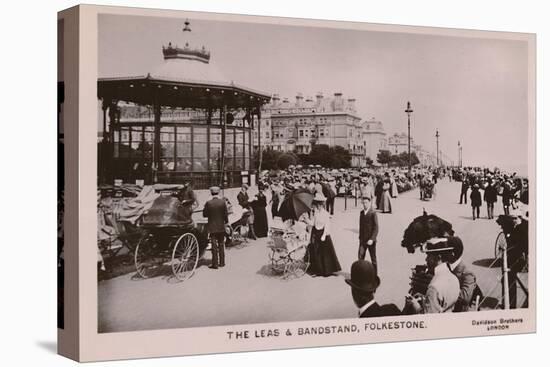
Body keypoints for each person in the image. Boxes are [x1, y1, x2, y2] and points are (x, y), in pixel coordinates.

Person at [405, 239, 460, 313]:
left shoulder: (434, 286)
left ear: (438, 257)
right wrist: (425, 298)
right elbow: (442, 303)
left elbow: (428, 319)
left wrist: (415, 305)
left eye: (429, 256)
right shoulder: (454, 279)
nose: (426, 259)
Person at [305, 193, 342, 277]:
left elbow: (327, 225)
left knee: (325, 254)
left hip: (323, 234)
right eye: (317, 205)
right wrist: (306, 220)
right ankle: (318, 270)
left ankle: (327, 270)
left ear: (322, 205)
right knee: (316, 253)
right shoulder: (316, 213)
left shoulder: (325, 214)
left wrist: (324, 235)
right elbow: (313, 223)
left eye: (320, 205)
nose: (318, 207)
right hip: (316, 233)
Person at [445, 237, 480, 312]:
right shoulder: (445, 266)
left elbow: (465, 297)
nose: (441, 254)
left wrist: (443, 290)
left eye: (445, 251)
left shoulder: (467, 273)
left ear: (452, 254)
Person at [203, 186, 228, 269]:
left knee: (214, 246)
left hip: (212, 227)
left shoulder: (208, 203)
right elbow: (225, 215)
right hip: (221, 226)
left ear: (211, 193)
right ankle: (222, 262)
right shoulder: (222, 202)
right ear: (218, 192)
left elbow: (204, 214)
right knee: (221, 244)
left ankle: (215, 264)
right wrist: (226, 223)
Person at [358, 196, 379, 273]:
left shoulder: (373, 213)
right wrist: (360, 237)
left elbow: (376, 227)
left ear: (369, 203)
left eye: (366, 203)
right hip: (362, 240)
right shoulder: (361, 213)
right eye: (363, 203)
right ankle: (360, 274)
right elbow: (360, 226)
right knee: (360, 257)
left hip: (370, 240)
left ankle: (374, 275)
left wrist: (372, 239)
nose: (364, 205)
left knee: (373, 258)